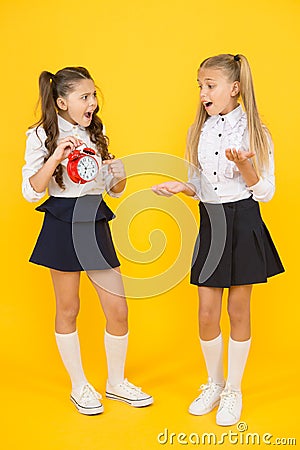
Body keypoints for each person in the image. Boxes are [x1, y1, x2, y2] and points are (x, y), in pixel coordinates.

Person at [152, 54, 284, 426]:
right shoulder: (201, 129)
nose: (203, 93)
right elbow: (203, 183)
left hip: (243, 220)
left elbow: (267, 191)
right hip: (211, 222)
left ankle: (233, 391)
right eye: (200, 86)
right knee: (207, 312)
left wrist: (246, 167)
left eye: (209, 85)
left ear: (234, 88)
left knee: (238, 311)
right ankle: (214, 382)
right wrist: (183, 187)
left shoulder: (256, 130)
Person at [22, 66, 153, 415]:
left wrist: (119, 174)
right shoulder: (39, 135)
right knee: (68, 308)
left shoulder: (98, 132)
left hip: (94, 220)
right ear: (62, 102)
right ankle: (80, 386)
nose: (92, 102)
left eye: (94, 95)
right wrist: (55, 157)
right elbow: (31, 190)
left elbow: (114, 189)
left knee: (118, 310)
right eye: (85, 96)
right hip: (62, 221)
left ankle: (115, 382)